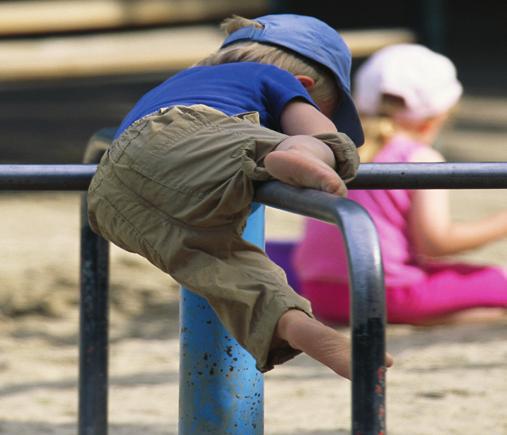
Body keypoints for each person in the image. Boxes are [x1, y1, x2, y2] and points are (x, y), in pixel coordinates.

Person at [86, 14, 393, 378]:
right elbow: (305, 126)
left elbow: (154, 150)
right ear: (303, 86)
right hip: (194, 136)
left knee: (222, 265)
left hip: (114, 193)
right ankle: (298, 155)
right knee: (327, 143)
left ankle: (296, 326)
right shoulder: (275, 78)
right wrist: (315, 141)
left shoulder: (181, 81)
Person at [294, 44, 507, 326]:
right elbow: (434, 243)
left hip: (320, 292)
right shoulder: (419, 157)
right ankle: (433, 316)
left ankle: (439, 315)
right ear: (437, 118)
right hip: (386, 294)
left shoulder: (339, 146)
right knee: (497, 280)